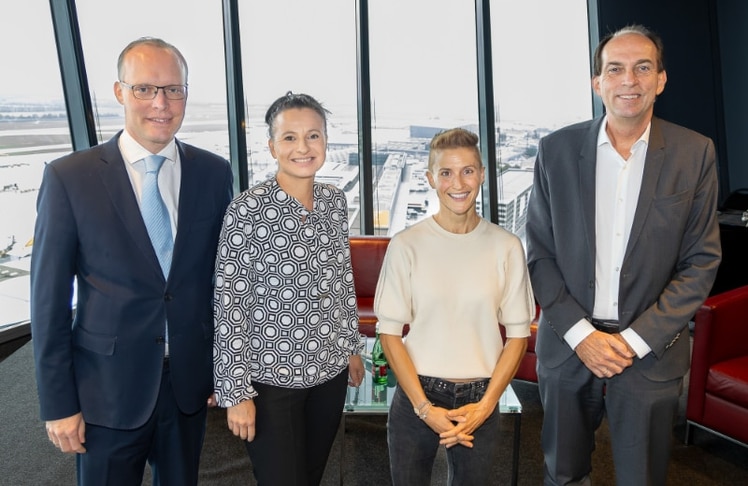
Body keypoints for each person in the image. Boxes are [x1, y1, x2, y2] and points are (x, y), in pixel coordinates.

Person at [30, 37, 234, 485]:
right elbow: (47, 302)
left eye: (173, 89)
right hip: (106, 389)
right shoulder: (70, 178)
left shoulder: (213, 172)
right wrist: (59, 403)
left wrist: (226, 370)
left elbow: (221, 284)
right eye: (145, 89)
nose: (161, 103)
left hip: (186, 385)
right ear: (120, 92)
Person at [526, 24, 722, 485]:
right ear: (598, 83)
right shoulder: (555, 150)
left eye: (642, 68)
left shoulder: (695, 154)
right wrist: (583, 337)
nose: (628, 80)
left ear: (661, 80)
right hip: (570, 349)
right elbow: (539, 255)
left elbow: (701, 262)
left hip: (650, 355)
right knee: (563, 474)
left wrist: (633, 342)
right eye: (615, 69)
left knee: (642, 478)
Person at [212, 91, 365, 486]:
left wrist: (350, 347)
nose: (303, 147)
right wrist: (236, 392)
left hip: (329, 372)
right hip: (269, 381)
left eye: (313, 136)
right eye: (290, 137)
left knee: (311, 475)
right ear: (272, 146)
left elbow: (341, 282)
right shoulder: (247, 210)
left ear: (327, 141)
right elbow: (230, 305)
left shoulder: (334, 201)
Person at [374, 128, 535, 485]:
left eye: (467, 171)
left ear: (481, 174)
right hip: (418, 394)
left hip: (482, 396)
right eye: (446, 172)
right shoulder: (407, 245)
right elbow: (389, 333)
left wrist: (485, 406)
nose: (457, 182)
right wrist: (424, 408)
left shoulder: (506, 247)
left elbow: (518, 336)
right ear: (431, 179)